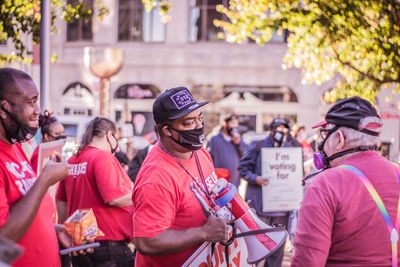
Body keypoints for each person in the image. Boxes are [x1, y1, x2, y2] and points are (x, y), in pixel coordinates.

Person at [292, 96, 400, 266]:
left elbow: (308, 262)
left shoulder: (326, 184)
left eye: (325, 135)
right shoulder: (398, 173)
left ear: (340, 139)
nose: (321, 144)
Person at [132, 87, 229, 266]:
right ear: (167, 130)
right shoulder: (156, 177)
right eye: (189, 122)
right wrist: (203, 233)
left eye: (200, 118)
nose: (199, 126)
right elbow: (145, 241)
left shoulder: (200, 152)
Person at [0, 67, 72, 266]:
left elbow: (26, 214)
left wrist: (54, 231)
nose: (38, 111)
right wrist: (44, 181)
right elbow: (2, 241)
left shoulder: (14, 148)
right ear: (2, 109)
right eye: (31, 102)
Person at [56, 117, 135, 267]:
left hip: (83, 247)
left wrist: (73, 234)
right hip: (109, 247)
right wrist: (144, 194)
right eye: (115, 137)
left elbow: (61, 201)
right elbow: (115, 198)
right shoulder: (103, 157)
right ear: (108, 135)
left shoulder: (73, 160)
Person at [238, 117, 301, 267]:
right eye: (277, 128)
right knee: (258, 246)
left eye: (284, 129)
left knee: (278, 248)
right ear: (271, 130)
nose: (281, 132)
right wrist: (256, 178)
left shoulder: (293, 147)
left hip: (282, 209)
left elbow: (296, 172)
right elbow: (243, 169)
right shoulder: (258, 145)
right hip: (261, 208)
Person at [207, 114, 248, 187]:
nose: (235, 126)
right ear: (225, 124)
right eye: (233, 123)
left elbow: (246, 155)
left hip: (234, 181)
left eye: (236, 124)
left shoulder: (238, 139)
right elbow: (207, 159)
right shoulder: (213, 139)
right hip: (218, 181)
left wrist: (239, 143)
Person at [30, 110, 66, 174]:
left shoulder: (55, 152)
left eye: (63, 132)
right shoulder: (40, 153)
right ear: (46, 136)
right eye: (57, 133)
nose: (62, 136)